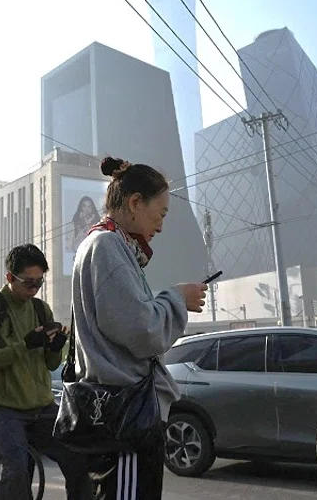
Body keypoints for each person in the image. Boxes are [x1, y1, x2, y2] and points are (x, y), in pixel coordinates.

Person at [71, 157, 207, 500]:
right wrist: (177, 298)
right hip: (125, 412)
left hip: (119, 411)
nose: (160, 226)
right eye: (160, 214)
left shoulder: (105, 244)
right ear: (135, 203)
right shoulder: (107, 246)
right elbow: (142, 331)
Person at [0, 244, 90, 500]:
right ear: (9, 277)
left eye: (39, 283)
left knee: (78, 458)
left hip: (42, 406)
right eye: (28, 283)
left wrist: (56, 347)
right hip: (5, 409)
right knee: (16, 472)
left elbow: (49, 364)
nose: (34, 289)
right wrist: (24, 345)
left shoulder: (40, 309)